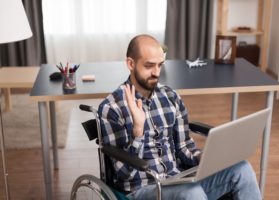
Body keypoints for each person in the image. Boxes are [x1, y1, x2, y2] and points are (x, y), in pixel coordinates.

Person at [98, 34, 262, 200]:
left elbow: (184, 147)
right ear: (130, 64)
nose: (156, 72)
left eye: (160, 65)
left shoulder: (170, 96)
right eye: (149, 66)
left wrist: (206, 158)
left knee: (241, 169)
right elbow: (123, 173)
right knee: (192, 193)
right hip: (142, 189)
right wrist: (138, 131)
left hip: (178, 180)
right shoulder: (111, 108)